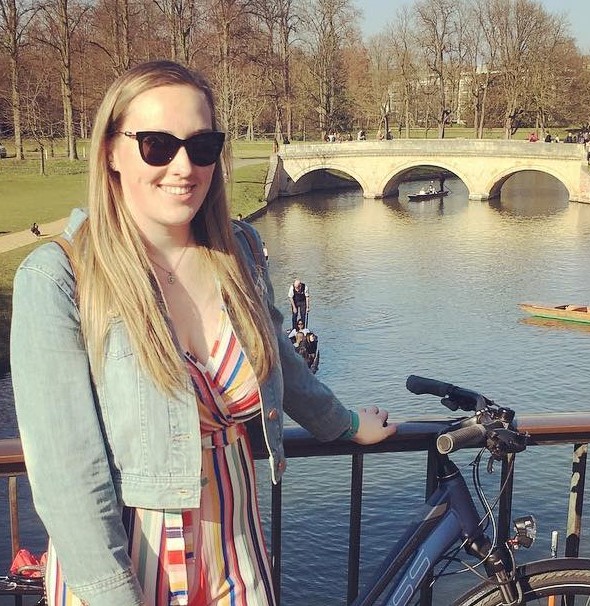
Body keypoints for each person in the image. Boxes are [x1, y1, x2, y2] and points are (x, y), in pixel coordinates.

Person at [10, 60, 396, 606]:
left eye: (202, 145)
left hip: (238, 558)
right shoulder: (59, 279)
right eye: (157, 146)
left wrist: (345, 424)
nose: (184, 166)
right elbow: (69, 477)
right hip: (125, 570)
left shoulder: (237, 251)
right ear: (112, 153)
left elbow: (277, 357)